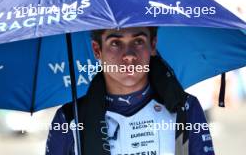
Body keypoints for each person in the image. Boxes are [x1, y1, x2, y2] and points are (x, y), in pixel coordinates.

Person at [45, 27, 215, 155]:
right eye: (115, 43)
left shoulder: (184, 108)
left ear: (153, 45)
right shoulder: (68, 119)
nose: (129, 55)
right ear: (97, 50)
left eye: (138, 41)